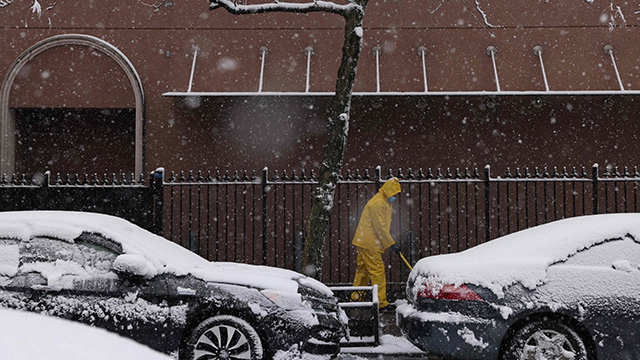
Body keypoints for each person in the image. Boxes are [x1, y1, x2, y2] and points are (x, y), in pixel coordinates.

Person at [352, 177, 401, 311]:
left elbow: (382, 226)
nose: (395, 197)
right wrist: (390, 243)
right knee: (377, 272)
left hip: (364, 241)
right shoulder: (379, 203)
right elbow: (380, 227)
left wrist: (389, 241)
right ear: (389, 191)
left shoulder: (382, 201)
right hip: (370, 243)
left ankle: (356, 299)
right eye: (394, 194)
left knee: (363, 272)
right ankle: (381, 303)